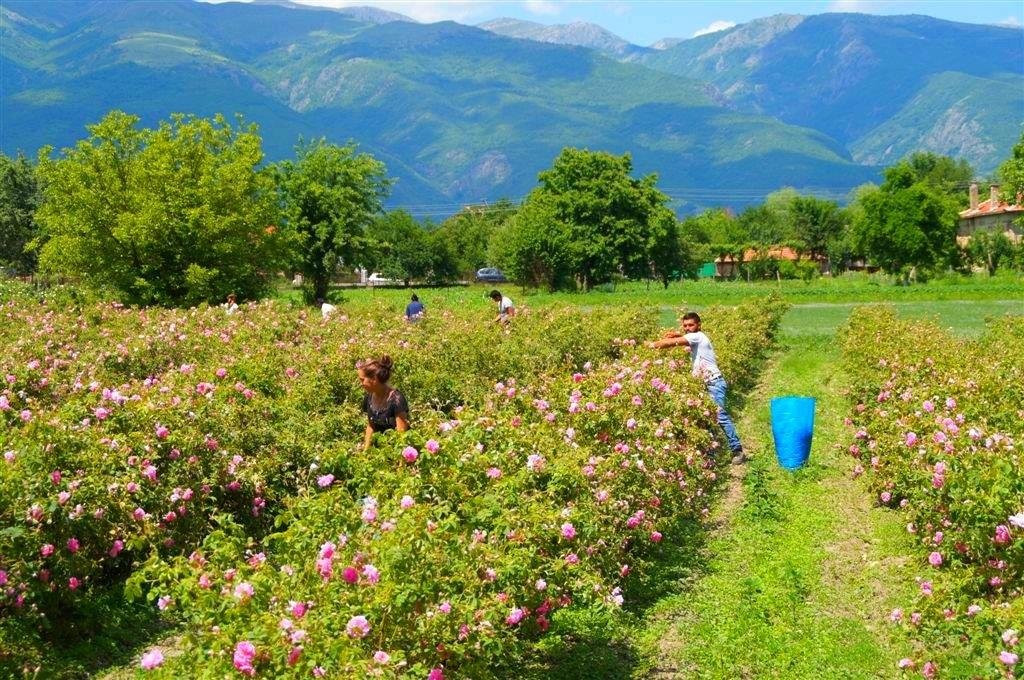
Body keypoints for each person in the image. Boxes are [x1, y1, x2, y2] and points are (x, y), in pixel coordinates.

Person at [647, 312, 745, 464]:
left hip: (713, 383)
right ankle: (710, 456)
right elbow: (686, 337)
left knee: (719, 417)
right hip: (705, 384)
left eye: (691, 325)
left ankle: (737, 450)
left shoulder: (697, 336)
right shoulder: (698, 337)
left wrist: (652, 345)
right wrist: (677, 334)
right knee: (705, 419)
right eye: (685, 325)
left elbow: (671, 344)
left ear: (699, 325)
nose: (687, 328)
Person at [357, 355, 410, 450]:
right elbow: (370, 426)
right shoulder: (369, 397)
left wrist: (399, 464)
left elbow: (401, 436)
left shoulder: (396, 399)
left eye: (362, 380)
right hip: (379, 450)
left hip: (395, 450)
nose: (361, 384)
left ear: (374, 379)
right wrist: (365, 452)